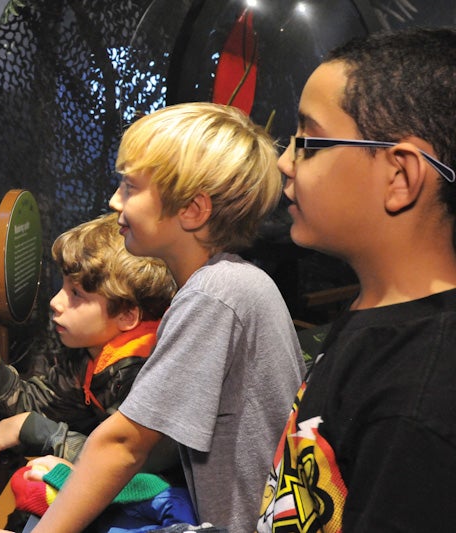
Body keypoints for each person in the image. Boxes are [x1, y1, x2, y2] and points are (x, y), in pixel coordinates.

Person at [23, 102, 306, 533]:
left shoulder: (215, 294)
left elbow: (124, 444)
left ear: (192, 209)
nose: (114, 199)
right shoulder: (232, 283)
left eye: (130, 186)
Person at [257, 27, 456, 532]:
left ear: (400, 176)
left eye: (308, 142)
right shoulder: (375, 315)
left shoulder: (417, 403)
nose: (284, 161)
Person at [0, 212, 177, 465]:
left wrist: (44, 433)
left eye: (76, 294)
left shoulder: (146, 373)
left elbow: (128, 462)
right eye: (63, 286)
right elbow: (34, 405)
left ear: (127, 315)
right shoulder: (92, 355)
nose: (55, 302)